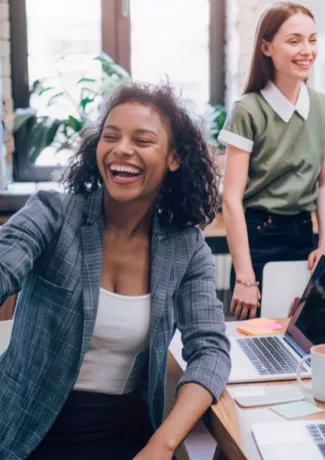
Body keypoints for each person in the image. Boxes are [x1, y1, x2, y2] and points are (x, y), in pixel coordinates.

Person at [0, 82, 231, 459]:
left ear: (173, 158)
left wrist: (163, 443)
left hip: (124, 432)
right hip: (25, 427)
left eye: (142, 140)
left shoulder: (185, 248)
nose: (122, 149)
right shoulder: (54, 214)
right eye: (111, 136)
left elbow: (211, 352)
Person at [220, 2, 325, 320]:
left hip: (305, 238)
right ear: (266, 47)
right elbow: (231, 199)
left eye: (313, 40)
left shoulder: (323, 107)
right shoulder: (247, 110)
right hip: (258, 239)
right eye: (294, 40)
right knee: (253, 344)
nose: (307, 50)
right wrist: (245, 275)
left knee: (302, 339)